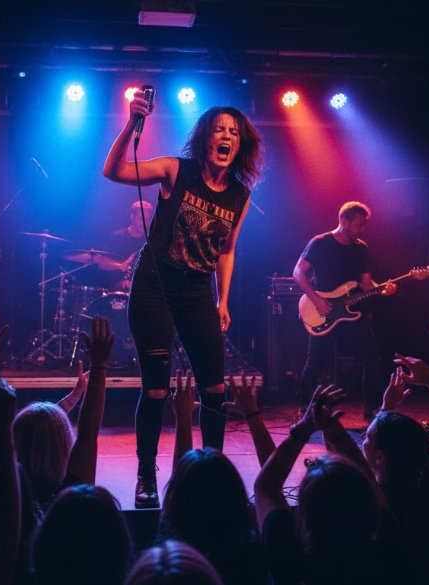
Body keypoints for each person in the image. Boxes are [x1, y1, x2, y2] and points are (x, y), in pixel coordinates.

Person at [102, 95, 263, 508]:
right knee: (156, 390)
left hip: (197, 294)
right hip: (155, 288)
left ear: (240, 144)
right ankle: (145, 475)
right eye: (219, 130)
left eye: (233, 132)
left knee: (214, 388)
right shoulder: (177, 170)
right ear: (205, 137)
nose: (226, 136)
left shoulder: (239, 195)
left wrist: (222, 299)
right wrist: (131, 124)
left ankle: (212, 473)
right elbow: (114, 170)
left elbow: (227, 249)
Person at [293, 201, 396, 420]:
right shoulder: (320, 243)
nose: (362, 230)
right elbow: (298, 273)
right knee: (315, 361)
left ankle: (372, 410)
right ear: (344, 221)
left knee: (371, 358)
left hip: (352, 313)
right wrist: (317, 301)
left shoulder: (361, 248)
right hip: (323, 310)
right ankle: (304, 407)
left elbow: (366, 285)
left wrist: (383, 289)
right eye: (359, 225)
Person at [98, 200, 154, 291]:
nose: (144, 223)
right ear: (132, 216)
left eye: (147, 220)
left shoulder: (150, 241)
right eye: (140, 219)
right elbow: (102, 264)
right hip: (115, 291)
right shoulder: (117, 237)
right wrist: (120, 266)